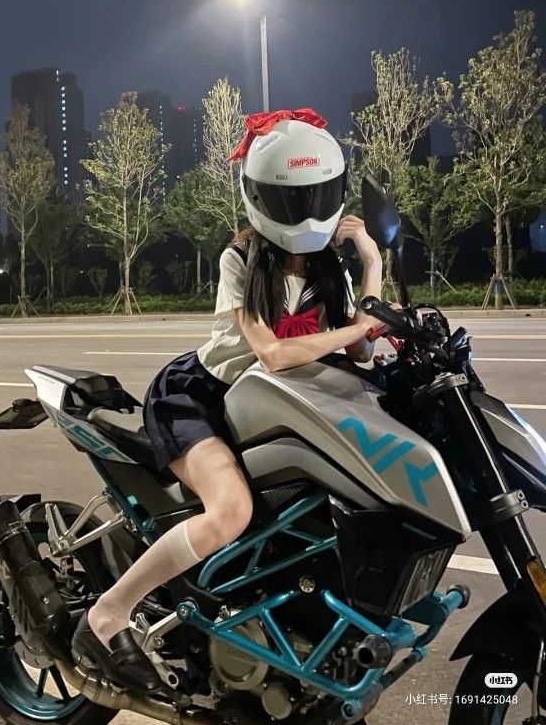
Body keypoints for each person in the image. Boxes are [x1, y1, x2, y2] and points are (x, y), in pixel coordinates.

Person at [72, 108, 384, 691]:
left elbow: (366, 351)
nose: (309, 212)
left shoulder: (332, 268)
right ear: (260, 199)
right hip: (205, 397)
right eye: (294, 200)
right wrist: (355, 330)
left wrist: (372, 262)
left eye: (319, 196)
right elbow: (272, 352)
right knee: (231, 512)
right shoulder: (241, 258)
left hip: (276, 401)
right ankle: (106, 616)